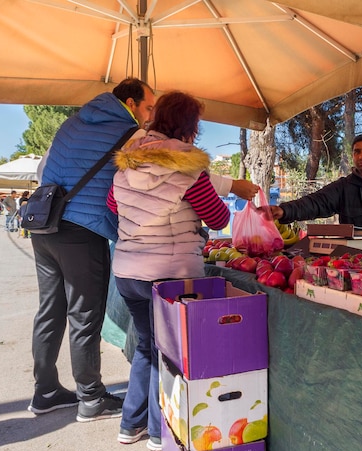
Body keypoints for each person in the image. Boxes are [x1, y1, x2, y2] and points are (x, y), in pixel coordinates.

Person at [28, 77, 257, 423]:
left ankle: (47, 392)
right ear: (131, 104)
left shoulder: (78, 125)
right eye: (147, 107)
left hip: (47, 225)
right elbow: (204, 196)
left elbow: (49, 172)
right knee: (89, 318)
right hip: (93, 236)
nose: (147, 118)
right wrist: (229, 187)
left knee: (52, 311)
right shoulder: (132, 137)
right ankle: (99, 402)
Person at [107, 91, 230, 451]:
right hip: (170, 272)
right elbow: (219, 217)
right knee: (169, 352)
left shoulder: (127, 162)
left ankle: (131, 426)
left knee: (146, 346)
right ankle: (161, 432)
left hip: (128, 271)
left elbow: (113, 204)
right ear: (189, 126)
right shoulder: (188, 166)